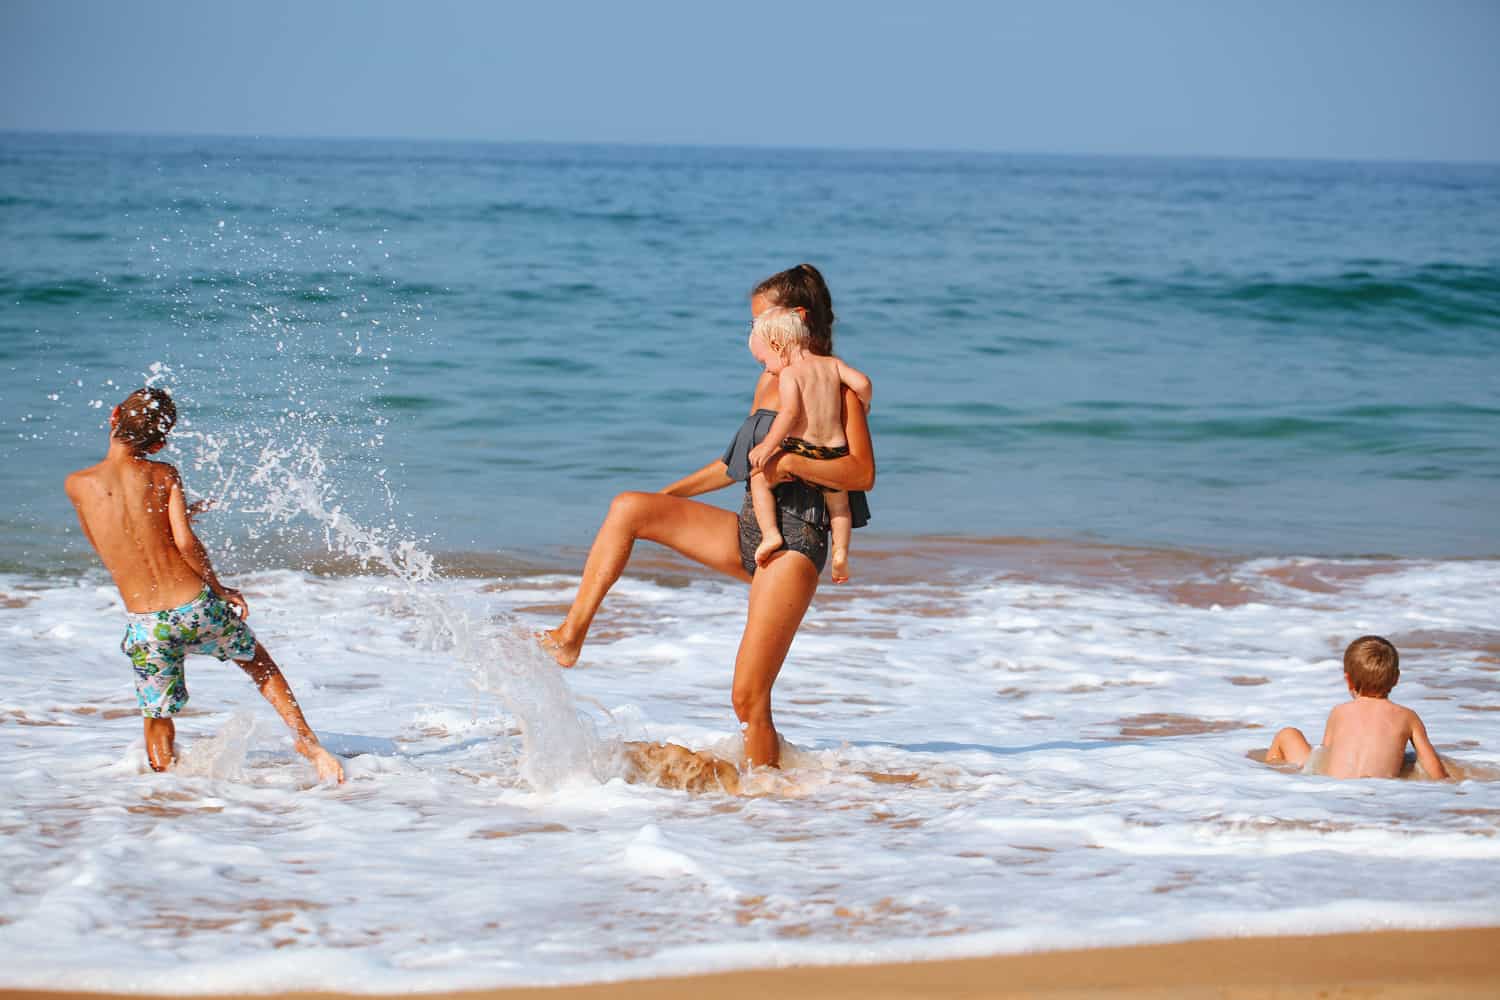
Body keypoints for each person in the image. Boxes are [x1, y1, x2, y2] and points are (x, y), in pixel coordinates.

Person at [539, 264, 875, 768]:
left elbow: (860, 472)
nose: (752, 333)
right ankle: (569, 637)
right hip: (750, 530)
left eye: (758, 321)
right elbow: (732, 465)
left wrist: (789, 462)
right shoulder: (769, 384)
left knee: (747, 698)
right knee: (630, 507)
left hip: (794, 542)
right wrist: (667, 498)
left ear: (794, 321)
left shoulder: (833, 386)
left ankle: (770, 799)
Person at [64, 387, 344, 783]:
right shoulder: (163, 473)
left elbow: (108, 543)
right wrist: (220, 587)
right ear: (160, 443)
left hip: (147, 623)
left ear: (113, 415)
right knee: (258, 664)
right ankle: (308, 743)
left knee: (157, 715)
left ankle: (165, 791)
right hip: (194, 605)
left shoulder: (77, 484)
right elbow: (183, 543)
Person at [745, 306, 872, 583]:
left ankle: (770, 535)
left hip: (804, 450)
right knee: (839, 508)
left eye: (763, 361)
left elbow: (789, 415)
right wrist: (865, 404)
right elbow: (862, 382)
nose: (766, 369)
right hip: (836, 451)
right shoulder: (832, 364)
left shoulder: (790, 375)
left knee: (759, 480)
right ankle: (841, 552)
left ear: (778, 345)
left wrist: (767, 447)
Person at [1265, 635, 1448, 780]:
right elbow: (1434, 769)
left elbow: (1323, 756)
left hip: (1331, 786)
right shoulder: (1408, 717)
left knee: (1287, 734)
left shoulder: (1339, 711)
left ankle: (1270, 780)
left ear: (1348, 680)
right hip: (1379, 790)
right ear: (1397, 678)